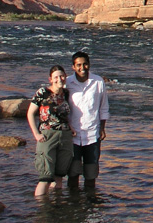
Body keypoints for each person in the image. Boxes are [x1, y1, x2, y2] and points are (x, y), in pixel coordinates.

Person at [27, 65, 74, 197]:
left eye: (62, 76)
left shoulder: (66, 93)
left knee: (59, 175)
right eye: (56, 77)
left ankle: (56, 206)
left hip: (65, 136)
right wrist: (36, 134)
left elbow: (64, 115)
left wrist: (71, 127)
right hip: (47, 136)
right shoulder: (42, 92)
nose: (59, 79)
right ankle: (41, 209)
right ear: (50, 79)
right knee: (45, 177)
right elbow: (30, 114)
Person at [67, 51, 109, 190]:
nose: (82, 68)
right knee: (73, 174)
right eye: (78, 65)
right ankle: (74, 205)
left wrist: (102, 128)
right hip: (73, 137)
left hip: (92, 135)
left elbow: (103, 107)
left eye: (85, 64)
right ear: (73, 67)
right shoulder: (67, 83)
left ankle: (90, 205)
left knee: (91, 175)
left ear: (89, 64)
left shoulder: (98, 82)